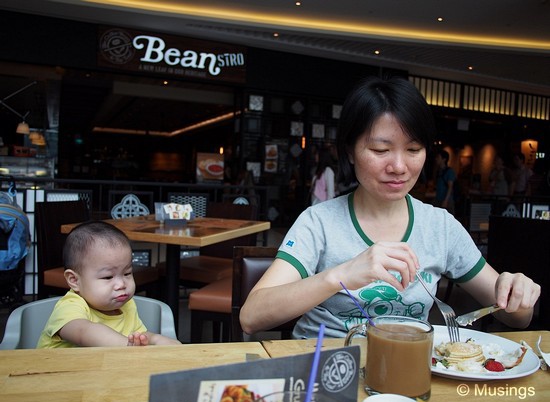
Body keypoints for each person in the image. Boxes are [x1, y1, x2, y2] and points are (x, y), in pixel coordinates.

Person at [240, 76, 540, 339]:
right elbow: (251, 317)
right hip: (324, 368)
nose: (398, 166)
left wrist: (517, 295)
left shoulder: (440, 227)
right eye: (380, 150)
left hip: (403, 372)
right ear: (350, 151)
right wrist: (339, 275)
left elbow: (515, 317)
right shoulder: (319, 222)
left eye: (413, 150)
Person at [37, 221, 181, 348]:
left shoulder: (126, 305)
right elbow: (83, 332)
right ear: (74, 280)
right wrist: (127, 345)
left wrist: (156, 340)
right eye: (107, 277)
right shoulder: (70, 306)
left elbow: (137, 335)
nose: (121, 284)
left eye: (127, 273)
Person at [433, 149, 456, 214]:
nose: (436, 159)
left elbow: (450, 187)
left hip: (447, 201)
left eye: (438, 157)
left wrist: (446, 200)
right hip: (438, 199)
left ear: (444, 159)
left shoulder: (449, 172)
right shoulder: (439, 171)